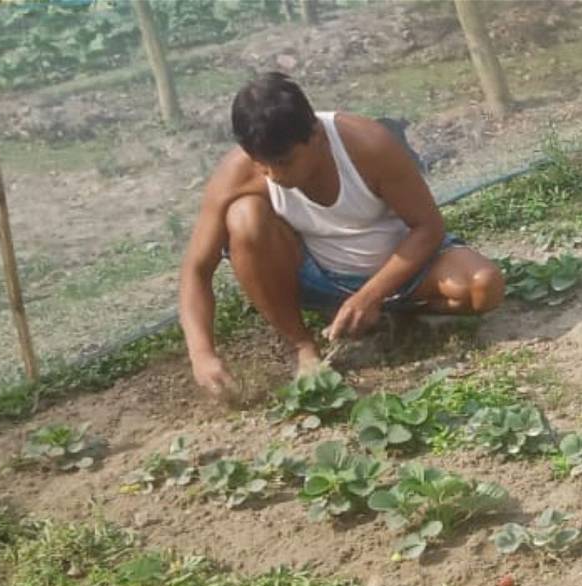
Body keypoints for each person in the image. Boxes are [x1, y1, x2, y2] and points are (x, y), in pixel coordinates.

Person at [177, 72, 506, 396]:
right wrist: (202, 354)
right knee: (244, 217)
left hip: (402, 270)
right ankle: (302, 346)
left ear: (316, 135)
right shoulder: (238, 172)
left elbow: (429, 227)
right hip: (318, 279)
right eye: (263, 164)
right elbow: (196, 269)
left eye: (285, 161)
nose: (273, 175)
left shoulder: (367, 145)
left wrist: (371, 295)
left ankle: (393, 312)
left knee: (484, 286)